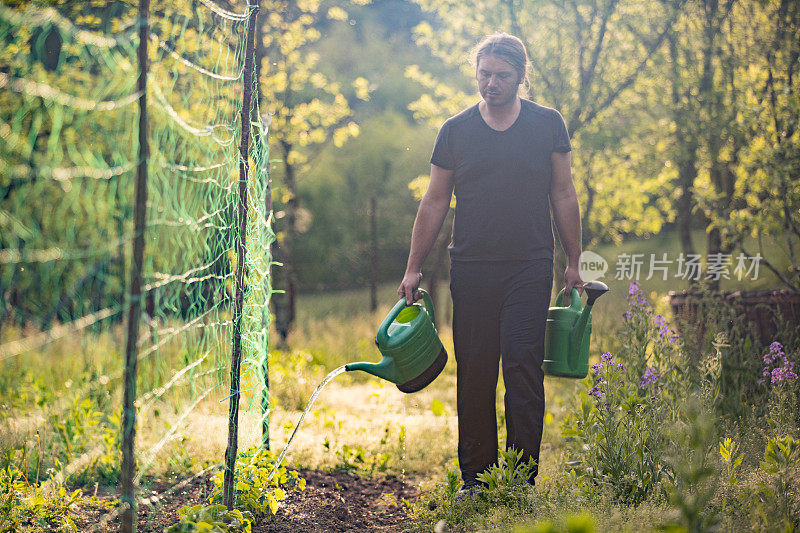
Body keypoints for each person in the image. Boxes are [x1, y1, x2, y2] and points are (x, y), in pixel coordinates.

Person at [397, 33, 584, 493]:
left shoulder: (548, 125)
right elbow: (435, 200)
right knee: (476, 369)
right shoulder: (456, 131)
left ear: (521, 77)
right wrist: (413, 267)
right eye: (484, 74)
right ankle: (476, 478)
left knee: (522, 365)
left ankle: (520, 481)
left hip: (530, 264)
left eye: (502, 75)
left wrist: (574, 262)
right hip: (473, 267)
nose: (491, 83)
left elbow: (563, 192)